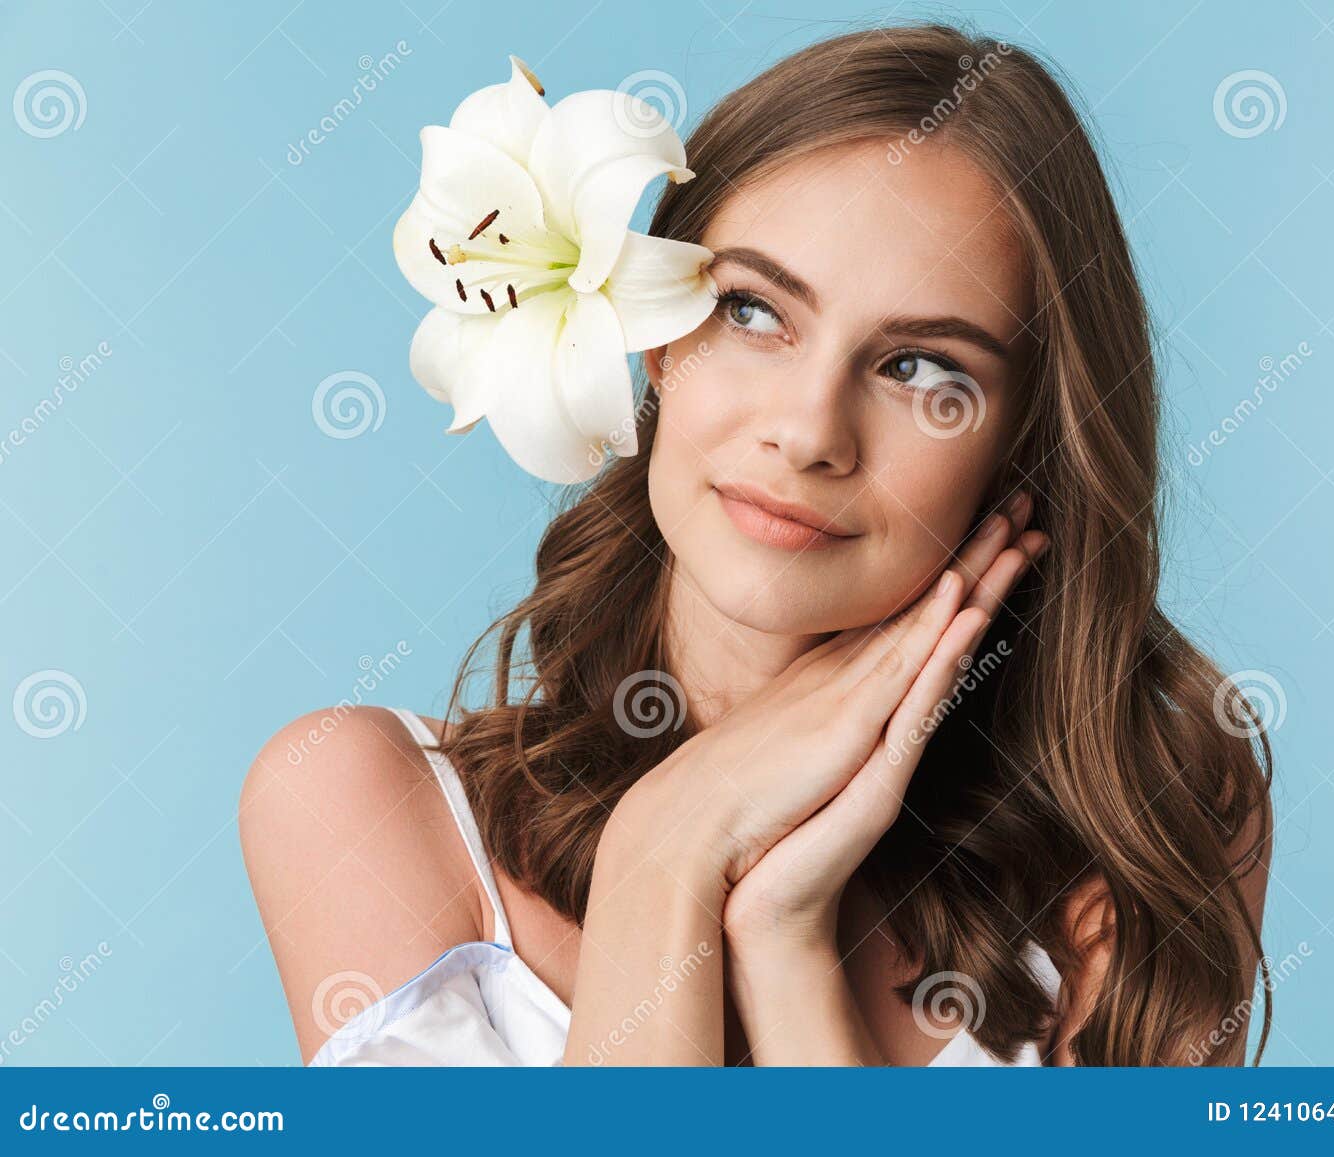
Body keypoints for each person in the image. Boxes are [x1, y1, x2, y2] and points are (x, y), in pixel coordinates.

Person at [242, 21, 1273, 1067]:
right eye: (751, 309)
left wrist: (782, 940)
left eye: (920, 368)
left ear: (1019, 446)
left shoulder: (1153, 824)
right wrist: (666, 846)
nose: (810, 431)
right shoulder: (366, 805)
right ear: (650, 338)